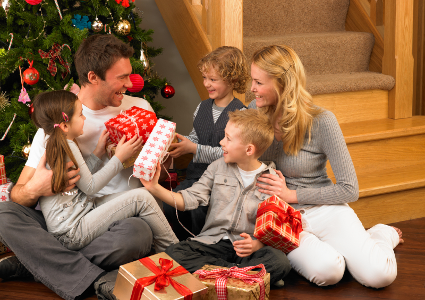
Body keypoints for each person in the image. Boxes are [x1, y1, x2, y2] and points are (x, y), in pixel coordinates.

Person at [0, 34, 166, 300]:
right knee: (4, 212)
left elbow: (155, 168)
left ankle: (37, 264)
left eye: (129, 75)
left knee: (138, 234)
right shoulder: (57, 123)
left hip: (115, 219)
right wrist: (35, 188)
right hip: (66, 216)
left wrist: (163, 151)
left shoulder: (141, 109)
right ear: (93, 77)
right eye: (121, 77)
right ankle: (72, 270)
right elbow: (18, 194)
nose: (130, 83)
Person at [248, 45, 402, 288]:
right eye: (252, 81)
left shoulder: (322, 121)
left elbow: (350, 189)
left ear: (281, 83)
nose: (251, 89)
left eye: (258, 82)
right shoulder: (252, 112)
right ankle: (348, 247)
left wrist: (291, 194)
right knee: (329, 273)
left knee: (380, 276)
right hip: (282, 217)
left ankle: (380, 235)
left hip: (325, 209)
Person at [142, 109, 291, 286]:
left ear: (249, 149)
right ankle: (244, 278)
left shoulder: (272, 180)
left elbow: (277, 228)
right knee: (173, 253)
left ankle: (221, 277)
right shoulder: (217, 167)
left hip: (246, 252)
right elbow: (188, 200)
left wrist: (258, 244)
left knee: (280, 261)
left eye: (228, 138)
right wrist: (154, 187)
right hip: (212, 244)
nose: (222, 142)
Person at [32, 90, 178, 253]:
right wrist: (119, 159)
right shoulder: (66, 145)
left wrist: (98, 153)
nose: (84, 118)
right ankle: (176, 253)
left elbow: (79, 177)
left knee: (147, 194)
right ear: (65, 125)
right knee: (142, 197)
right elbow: (90, 187)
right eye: (80, 115)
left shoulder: (58, 142)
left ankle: (164, 250)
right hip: (71, 231)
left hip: (83, 211)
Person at [164, 46, 248, 240]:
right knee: (171, 204)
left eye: (213, 80)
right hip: (195, 177)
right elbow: (196, 136)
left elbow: (229, 153)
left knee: (198, 209)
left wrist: (193, 148)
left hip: (223, 181)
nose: (207, 84)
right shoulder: (201, 107)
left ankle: (201, 244)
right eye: (205, 78)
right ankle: (183, 242)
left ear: (232, 79)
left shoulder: (240, 113)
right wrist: (182, 143)